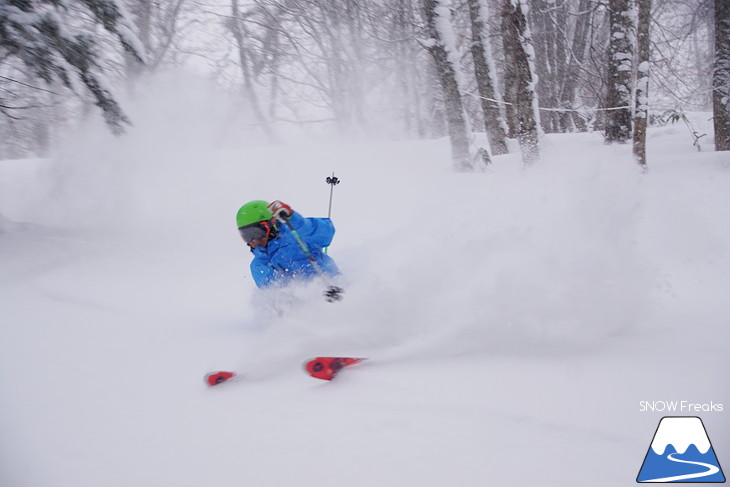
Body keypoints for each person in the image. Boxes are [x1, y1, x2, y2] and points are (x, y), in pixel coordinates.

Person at [236, 200, 341, 289]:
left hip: (334, 289)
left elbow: (327, 232)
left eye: (257, 232)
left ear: (272, 225)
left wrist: (294, 219)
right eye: (246, 235)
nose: (253, 240)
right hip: (308, 307)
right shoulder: (258, 266)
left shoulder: (297, 236)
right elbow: (274, 297)